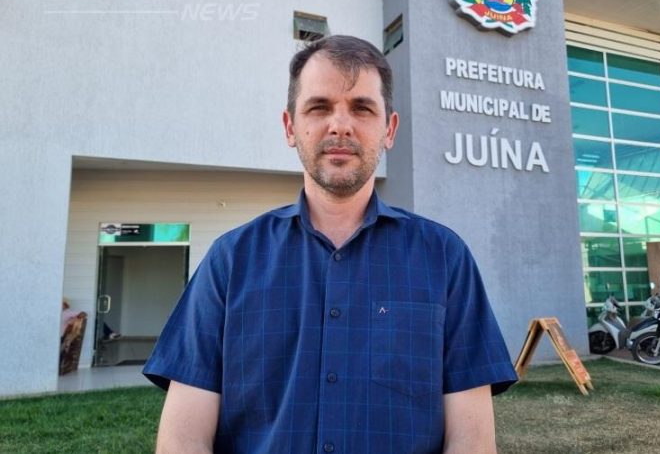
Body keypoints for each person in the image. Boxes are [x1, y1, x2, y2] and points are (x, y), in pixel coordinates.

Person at [143, 35, 518, 453]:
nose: (340, 125)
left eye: (362, 108)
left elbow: (472, 442)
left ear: (390, 129)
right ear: (290, 127)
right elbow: (183, 441)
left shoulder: (445, 258)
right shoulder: (230, 261)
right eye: (319, 107)